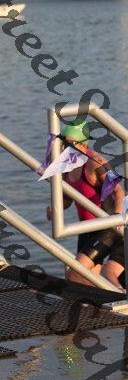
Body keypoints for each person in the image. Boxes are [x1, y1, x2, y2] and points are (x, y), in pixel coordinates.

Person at [46, 120, 125, 290]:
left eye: (69, 144)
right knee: (85, 281)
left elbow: (119, 192)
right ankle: (113, 300)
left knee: (75, 274)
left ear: (83, 145)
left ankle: (120, 299)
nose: (64, 148)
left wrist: (117, 220)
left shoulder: (95, 162)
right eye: (63, 143)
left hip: (108, 226)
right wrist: (54, 210)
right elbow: (68, 199)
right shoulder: (67, 166)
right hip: (87, 229)